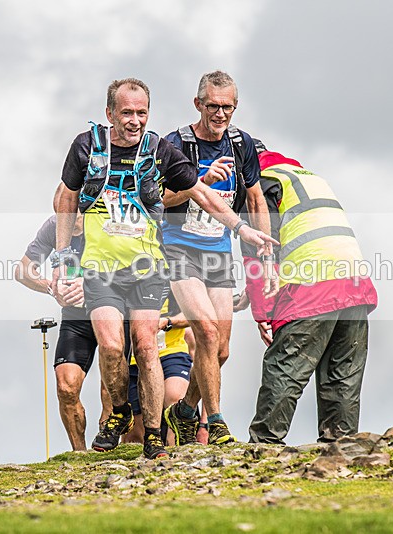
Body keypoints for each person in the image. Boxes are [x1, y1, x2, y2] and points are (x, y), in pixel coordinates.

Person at [51, 78, 277, 459]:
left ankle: (164, 426)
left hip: (156, 264)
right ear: (110, 114)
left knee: (173, 347)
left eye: (141, 113)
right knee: (113, 345)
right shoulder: (88, 147)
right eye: (127, 113)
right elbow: (66, 198)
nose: (135, 121)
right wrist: (61, 258)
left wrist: (242, 230)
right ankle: (131, 413)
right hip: (112, 266)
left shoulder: (161, 149)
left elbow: (204, 193)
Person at [162, 71, 277, 446]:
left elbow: (256, 198)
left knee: (221, 350)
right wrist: (200, 184)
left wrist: (265, 249)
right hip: (179, 246)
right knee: (206, 333)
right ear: (198, 104)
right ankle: (216, 422)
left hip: (218, 250)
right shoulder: (175, 144)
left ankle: (183, 410)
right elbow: (159, 200)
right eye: (213, 106)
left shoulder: (241, 143)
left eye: (228, 107)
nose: (221, 114)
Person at [246, 145, 378, 444]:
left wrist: (264, 313)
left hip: (312, 284)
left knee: (284, 366)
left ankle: (262, 449)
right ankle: (341, 451)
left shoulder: (260, 184)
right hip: (354, 284)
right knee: (341, 376)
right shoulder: (304, 176)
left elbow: (260, 252)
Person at [15, 214, 120, 451]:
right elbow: (22, 271)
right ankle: (79, 454)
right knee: (66, 386)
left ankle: (107, 450)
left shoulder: (105, 220)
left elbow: (136, 267)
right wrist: (51, 288)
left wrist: (93, 287)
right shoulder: (53, 225)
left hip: (112, 311)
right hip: (76, 316)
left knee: (110, 390)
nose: (69, 219)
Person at [124, 293, 192, 446]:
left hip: (171, 351)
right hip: (135, 359)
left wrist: (168, 322)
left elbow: (194, 313)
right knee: (135, 430)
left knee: (174, 399)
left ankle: (177, 459)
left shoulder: (174, 276)